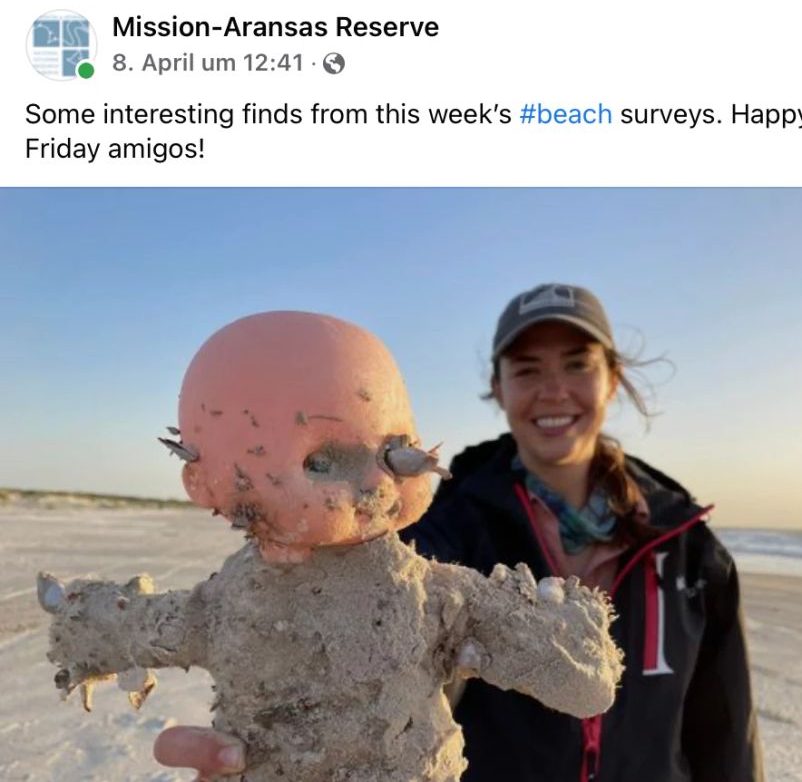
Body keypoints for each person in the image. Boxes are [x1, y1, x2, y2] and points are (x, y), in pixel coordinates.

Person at [154, 283, 763, 782]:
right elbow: (363, 664)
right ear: (498, 388)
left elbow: (726, 730)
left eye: (577, 365)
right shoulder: (444, 529)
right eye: (527, 370)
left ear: (611, 379)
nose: (553, 389)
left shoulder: (688, 548)